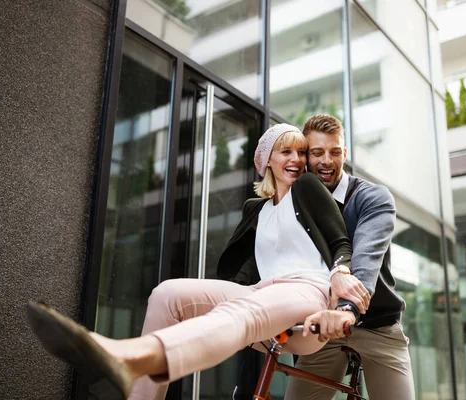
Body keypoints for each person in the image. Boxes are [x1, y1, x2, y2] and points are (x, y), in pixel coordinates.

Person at [26, 123, 356, 400]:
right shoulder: (256, 209)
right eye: (286, 152)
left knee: (243, 312)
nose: (297, 159)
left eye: (301, 152)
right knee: (168, 294)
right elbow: (245, 267)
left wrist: (340, 290)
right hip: (262, 292)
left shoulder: (309, 188)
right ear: (267, 160)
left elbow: (340, 241)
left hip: (307, 296)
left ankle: (128, 356)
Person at [285, 114, 415, 400]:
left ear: (344, 153)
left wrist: (346, 310)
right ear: (306, 157)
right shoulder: (294, 202)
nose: (326, 161)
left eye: (334, 152)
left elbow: (365, 258)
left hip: (376, 324)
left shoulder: (372, 198)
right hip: (323, 329)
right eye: (317, 153)